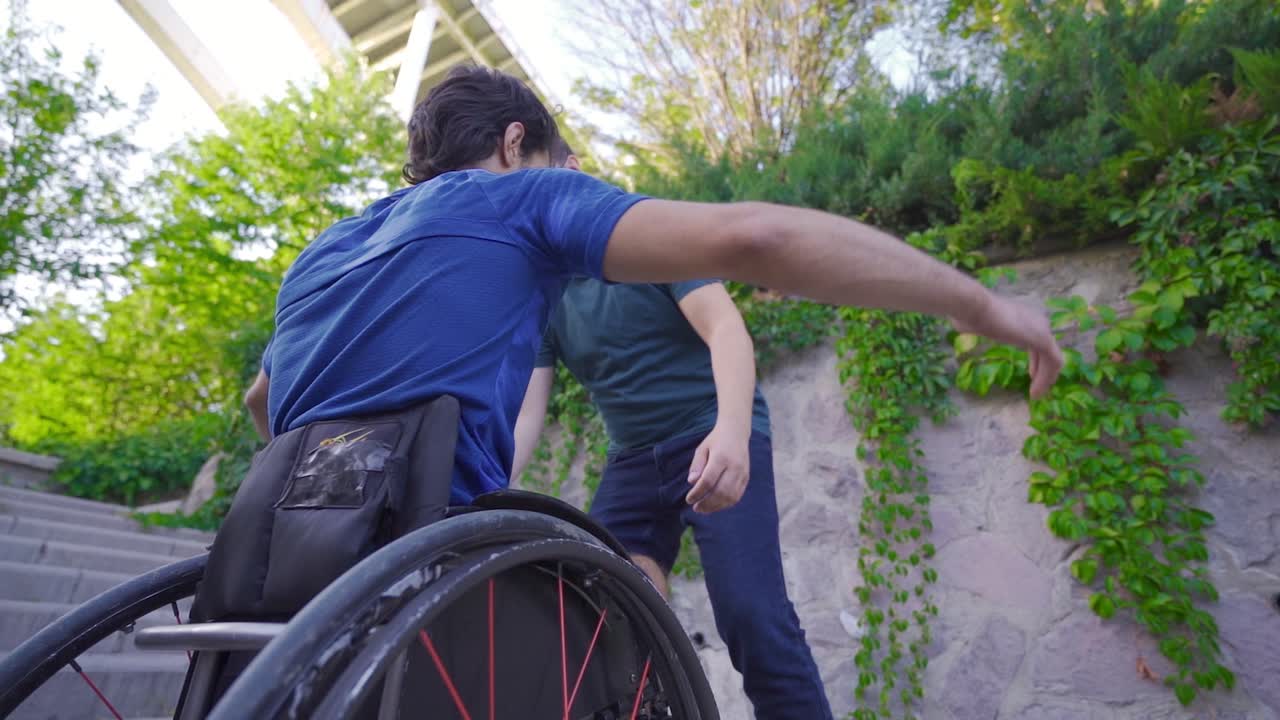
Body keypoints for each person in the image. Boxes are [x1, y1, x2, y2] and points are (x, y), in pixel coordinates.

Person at [243, 62, 1061, 561]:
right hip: (429, 554)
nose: (569, 173)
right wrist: (986, 307)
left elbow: (261, 402)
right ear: (513, 144)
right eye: (560, 161)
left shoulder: (325, 250)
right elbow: (758, 235)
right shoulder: (520, 199)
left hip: (283, 552)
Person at [510, 137, 835, 718]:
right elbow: (529, 412)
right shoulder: (545, 292)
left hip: (713, 432)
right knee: (600, 608)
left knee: (752, 616)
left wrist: (733, 432)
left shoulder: (646, 236)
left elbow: (727, 330)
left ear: (573, 170)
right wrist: (489, 490)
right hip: (634, 461)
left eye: (537, 179)